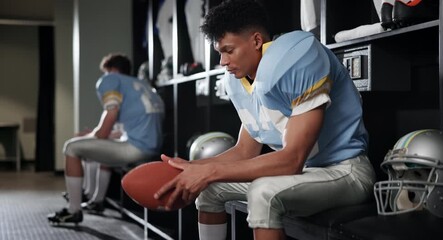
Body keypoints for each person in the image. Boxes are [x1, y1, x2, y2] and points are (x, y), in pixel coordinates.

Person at [153, 0, 376, 240]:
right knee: (210, 191)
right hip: (304, 175)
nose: (223, 62)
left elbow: (292, 160)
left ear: (257, 41)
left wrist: (210, 171)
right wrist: (192, 167)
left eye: (229, 50)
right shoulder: (241, 80)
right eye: (220, 53)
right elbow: (244, 151)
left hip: (345, 170)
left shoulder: (293, 59)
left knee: (263, 193)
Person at [48, 53, 165, 224]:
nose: (105, 75)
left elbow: (105, 126)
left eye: (106, 71)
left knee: (71, 147)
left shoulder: (110, 79)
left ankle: (73, 211)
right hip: (154, 147)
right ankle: (96, 200)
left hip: (137, 148)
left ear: (113, 70)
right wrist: (94, 136)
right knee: (101, 150)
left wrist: (90, 136)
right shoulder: (143, 85)